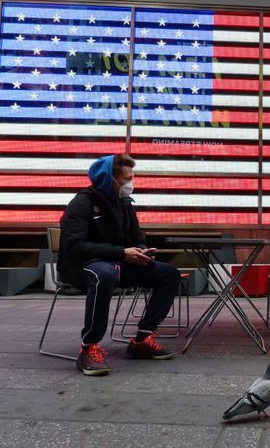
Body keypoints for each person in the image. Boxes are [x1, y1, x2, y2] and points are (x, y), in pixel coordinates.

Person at [58, 154, 180, 376]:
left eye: (132, 177)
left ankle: (142, 339)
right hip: (83, 266)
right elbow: (74, 246)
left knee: (169, 274)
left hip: (119, 262)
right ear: (109, 179)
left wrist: (141, 250)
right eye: (126, 178)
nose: (131, 183)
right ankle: (89, 347)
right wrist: (120, 253)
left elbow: (137, 235)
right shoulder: (82, 202)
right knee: (103, 274)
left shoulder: (125, 204)